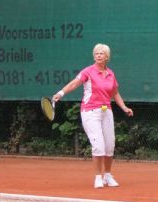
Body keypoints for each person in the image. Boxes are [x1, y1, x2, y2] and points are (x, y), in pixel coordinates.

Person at [53, 43, 134, 188]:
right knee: (98, 146)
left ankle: (107, 175)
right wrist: (61, 93)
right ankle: (98, 177)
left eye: (101, 53)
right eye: (96, 53)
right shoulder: (88, 71)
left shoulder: (111, 74)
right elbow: (74, 84)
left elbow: (115, 93)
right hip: (90, 112)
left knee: (109, 146)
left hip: (106, 111)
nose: (98, 55)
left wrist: (124, 107)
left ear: (107, 56)